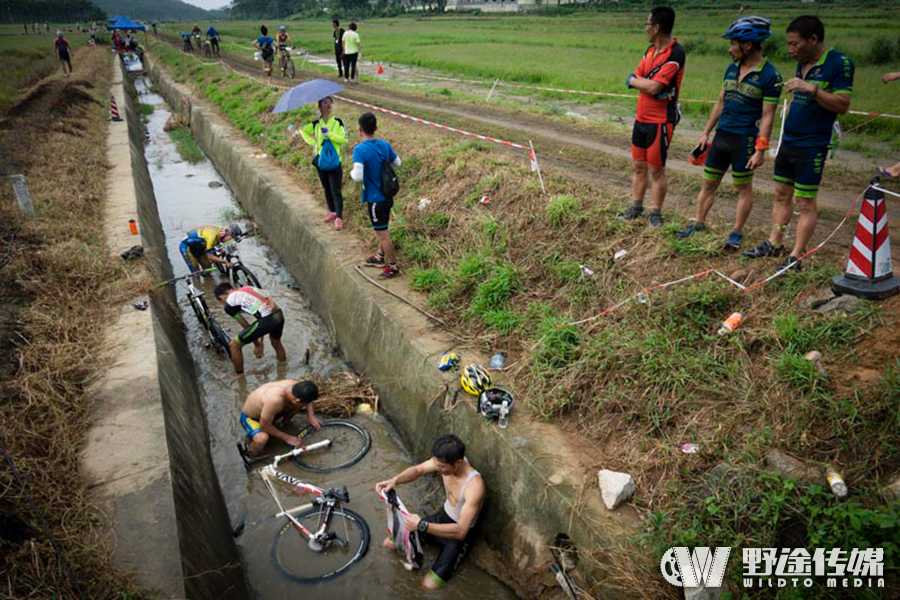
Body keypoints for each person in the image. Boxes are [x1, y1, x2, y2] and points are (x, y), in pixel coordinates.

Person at [743, 16, 853, 272]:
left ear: (813, 40)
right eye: (789, 44)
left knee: (805, 202)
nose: (790, 49)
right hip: (789, 140)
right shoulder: (801, 64)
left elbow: (843, 104)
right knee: (781, 194)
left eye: (795, 44)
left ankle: (796, 255)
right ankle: (774, 242)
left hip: (812, 143)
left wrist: (811, 89)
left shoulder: (840, 63)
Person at [676, 17, 781, 250]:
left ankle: (736, 232)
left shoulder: (770, 76)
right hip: (722, 136)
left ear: (748, 45)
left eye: (733, 44)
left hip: (744, 140)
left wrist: (761, 149)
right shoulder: (731, 69)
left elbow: (768, 116)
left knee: (743, 188)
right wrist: (705, 133)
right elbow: (720, 103)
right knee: (708, 183)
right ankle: (699, 223)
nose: (729, 49)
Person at [376, 434, 485, 590]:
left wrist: (421, 525)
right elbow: (419, 469)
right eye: (437, 464)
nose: (438, 469)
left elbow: (461, 531)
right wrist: (395, 480)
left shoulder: (475, 486)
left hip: (456, 537)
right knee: (389, 543)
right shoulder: (444, 459)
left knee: (429, 586)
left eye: (442, 467)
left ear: (458, 463)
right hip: (441, 518)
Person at [620, 7, 686, 228]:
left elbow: (655, 85)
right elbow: (633, 78)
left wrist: (643, 83)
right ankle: (636, 206)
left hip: (661, 120)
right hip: (641, 117)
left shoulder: (676, 53)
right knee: (639, 165)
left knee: (656, 169)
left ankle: (656, 212)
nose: (645, 29)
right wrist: (642, 83)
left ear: (656, 27)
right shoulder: (649, 52)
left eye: (647, 25)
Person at [351, 112, 402, 279]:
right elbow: (397, 163)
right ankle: (379, 257)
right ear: (376, 127)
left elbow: (357, 177)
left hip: (375, 199)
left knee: (383, 235)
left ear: (360, 129)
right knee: (384, 227)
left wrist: (352, 173)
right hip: (388, 196)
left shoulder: (360, 150)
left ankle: (393, 267)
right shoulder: (384, 144)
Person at [214, 282, 286, 375]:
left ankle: (240, 378)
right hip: (278, 315)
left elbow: (245, 325)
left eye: (221, 302)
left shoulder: (229, 304)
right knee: (276, 343)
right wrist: (261, 343)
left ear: (222, 297)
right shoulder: (246, 289)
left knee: (234, 346)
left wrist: (257, 345)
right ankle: (283, 369)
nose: (223, 303)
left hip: (267, 319)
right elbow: (261, 317)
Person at [237, 380, 322, 459]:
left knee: (297, 406)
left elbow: (309, 399)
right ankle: (252, 457)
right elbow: (264, 426)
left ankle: (285, 424)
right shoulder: (275, 400)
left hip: (270, 413)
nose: (306, 405)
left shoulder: (296, 385)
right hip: (252, 418)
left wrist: (311, 415)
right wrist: (287, 438)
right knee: (261, 439)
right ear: (297, 400)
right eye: (305, 403)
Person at [300, 96, 348, 230]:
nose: (328, 105)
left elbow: (344, 139)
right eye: (325, 103)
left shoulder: (338, 122)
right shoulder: (316, 124)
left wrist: (330, 135)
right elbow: (302, 130)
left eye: (330, 103)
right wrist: (313, 142)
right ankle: (332, 212)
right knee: (326, 188)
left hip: (335, 161)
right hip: (321, 162)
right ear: (320, 107)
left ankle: (339, 217)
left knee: (335, 189)